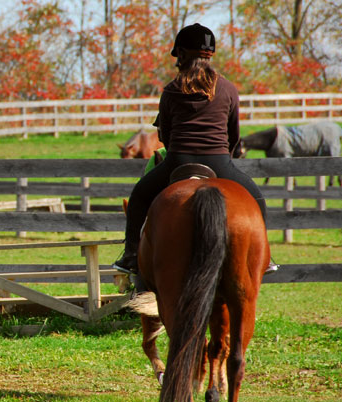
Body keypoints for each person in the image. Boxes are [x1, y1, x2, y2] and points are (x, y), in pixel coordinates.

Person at [113, 23, 277, 275]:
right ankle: (264, 256)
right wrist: (224, 155)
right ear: (211, 55)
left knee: (139, 196)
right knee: (256, 198)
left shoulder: (170, 90)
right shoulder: (228, 89)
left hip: (178, 160)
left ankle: (131, 254)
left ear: (181, 53)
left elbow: (164, 135)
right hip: (220, 162)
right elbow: (234, 135)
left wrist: (178, 150)